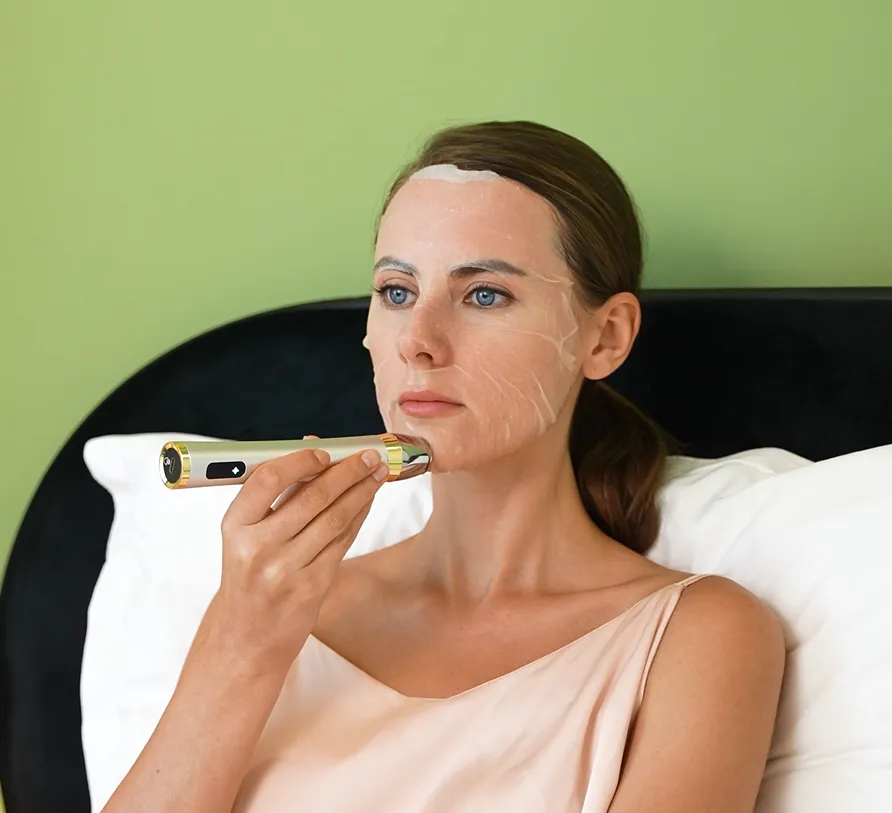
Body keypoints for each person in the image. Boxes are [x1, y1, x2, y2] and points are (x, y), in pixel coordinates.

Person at [102, 120, 786, 813]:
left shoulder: (699, 638)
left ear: (605, 337)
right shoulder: (276, 613)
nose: (418, 343)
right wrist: (239, 645)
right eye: (397, 291)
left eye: (483, 293)